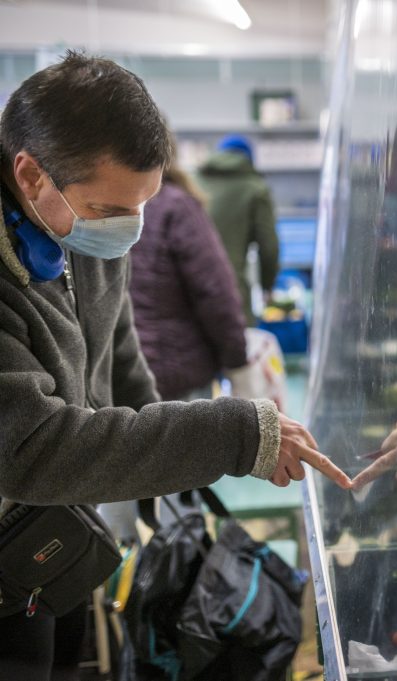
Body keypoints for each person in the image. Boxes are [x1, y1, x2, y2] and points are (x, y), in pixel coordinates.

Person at [0, 52, 350, 679]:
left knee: (70, 650)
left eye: (143, 205)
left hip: (62, 528)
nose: (129, 228)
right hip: (9, 540)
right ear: (30, 176)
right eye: (112, 210)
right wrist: (233, 434)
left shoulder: (84, 223)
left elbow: (122, 355)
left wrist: (166, 487)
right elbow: (29, 448)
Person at [130, 146, 250, 401]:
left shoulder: (93, 209)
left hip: (119, 378)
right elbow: (215, 291)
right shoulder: (176, 205)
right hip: (178, 373)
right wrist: (237, 360)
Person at [196, 134, 279, 325]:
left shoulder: (192, 180)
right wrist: (268, 286)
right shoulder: (255, 188)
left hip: (188, 290)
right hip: (230, 289)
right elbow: (269, 246)